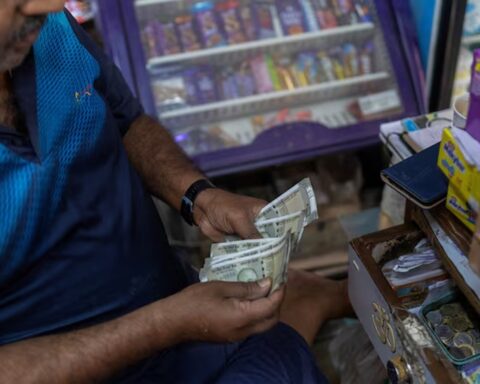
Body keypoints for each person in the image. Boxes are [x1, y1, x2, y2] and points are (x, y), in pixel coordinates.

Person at [0, 1, 351, 383]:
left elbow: (125, 121)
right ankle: (305, 304)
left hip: (187, 316)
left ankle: (304, 302)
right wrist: (167, 324)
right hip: (99, 362)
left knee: (280, 353)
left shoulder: (49, 26)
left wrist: (198, 196)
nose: (49, 3)